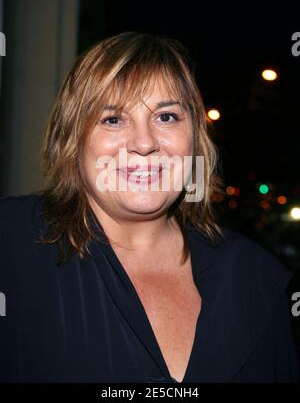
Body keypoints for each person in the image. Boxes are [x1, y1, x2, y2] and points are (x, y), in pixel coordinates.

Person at [0, 31, 299, 383]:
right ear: (72, 139)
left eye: (167, 117)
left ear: (195, 140)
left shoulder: (257, 278)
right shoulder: (10, 246)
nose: (143, 143)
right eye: (112, 119)